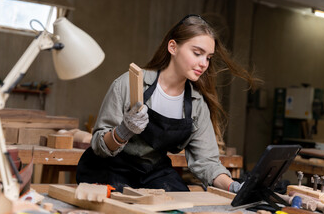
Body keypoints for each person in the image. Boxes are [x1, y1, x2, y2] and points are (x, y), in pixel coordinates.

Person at [76, 14, 259, 193]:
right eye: (197, 53)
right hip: (110, 168)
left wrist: (235, 187)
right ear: (172, 47)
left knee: (180, 204)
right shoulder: (130, 84)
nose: (204, 63)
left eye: (208, 57)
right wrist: (123, 131)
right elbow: (99, 146)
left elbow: (207, 163)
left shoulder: (196, 105)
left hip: (153, 172)